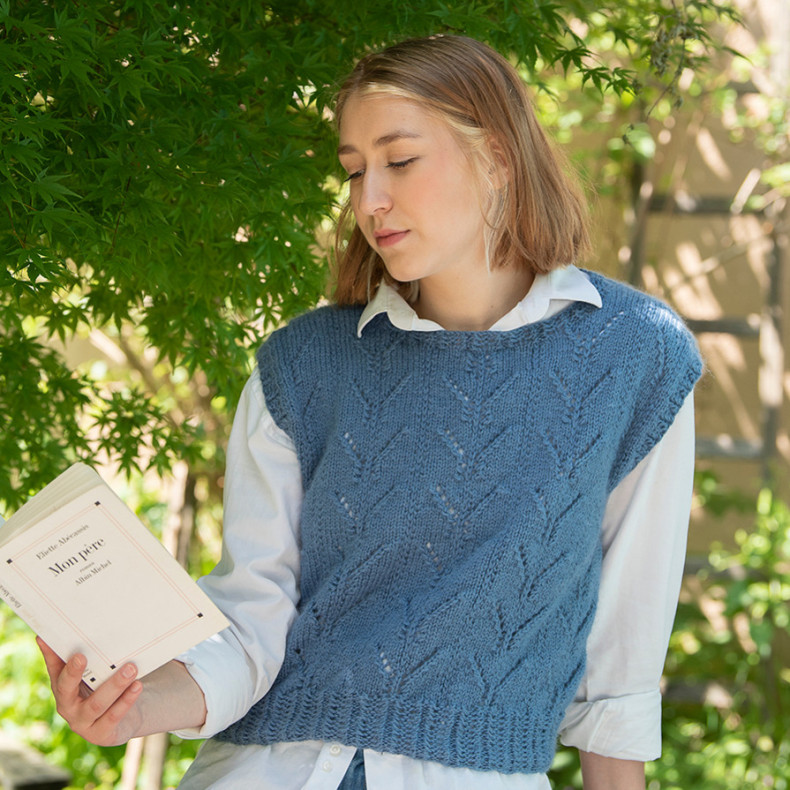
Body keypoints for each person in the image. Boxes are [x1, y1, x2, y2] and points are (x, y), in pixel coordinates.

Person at [38, 35, 702, 789]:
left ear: (498, 158)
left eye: (400, 161)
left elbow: (620, 677)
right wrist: (136, 707)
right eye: (354, 171)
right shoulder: (302, 367)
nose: (369, 200)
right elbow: (252, 626)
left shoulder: (633, 357)